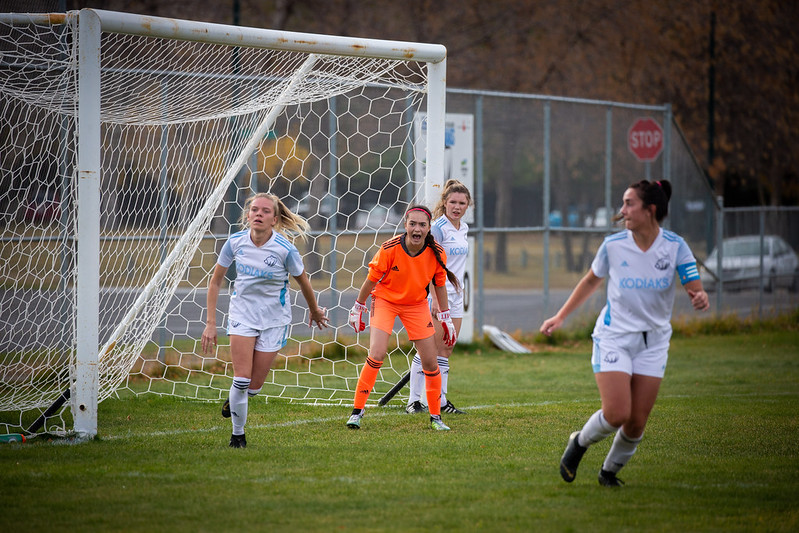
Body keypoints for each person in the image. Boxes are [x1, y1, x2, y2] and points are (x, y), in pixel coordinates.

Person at [540, 179, 709, 487]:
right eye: (623, 203)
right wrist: (560, 316)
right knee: (617, 412)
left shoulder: (675, 246)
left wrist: (699, 297)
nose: (622, 210)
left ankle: (609, 473)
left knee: (636, 423)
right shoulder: (614, 245)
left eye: (629, 203)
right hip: (614, 336)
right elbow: (591, 281)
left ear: (650, 210)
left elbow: (694, 286)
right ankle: (578, 444)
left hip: (654, 342)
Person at [202, 193, 329, 448]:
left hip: (274, 320)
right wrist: (210, 323)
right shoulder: (235, 243)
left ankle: (235, 399)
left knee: (254, 386)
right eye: (254, 210)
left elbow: (303, 281)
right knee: (241, 378)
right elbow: (215, 281)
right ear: (248, 216)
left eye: (265, 211)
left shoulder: (285, 249)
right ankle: (238, 435)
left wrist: (314, 311)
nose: (258, 214)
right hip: (242, 316)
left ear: (275, 219)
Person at [346, 204, 460, 431]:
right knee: (377, 354)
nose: (417, 229)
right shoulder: (389, 249)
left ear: (429, 228)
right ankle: (357, 413)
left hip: (416, 305)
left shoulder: (436, 252)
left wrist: (445, 318)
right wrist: (358, 306)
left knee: (430, 361)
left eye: (422, 225)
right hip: (386, 302)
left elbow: (439, 285)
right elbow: (371, 280)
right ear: (405, 225)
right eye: (413, 224)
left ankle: (436, 418)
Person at [407, 179, 472, 415]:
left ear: (468, 206)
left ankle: (441, 401)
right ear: (444, 203)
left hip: (456, 297)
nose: (457, 206)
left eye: (462, 203)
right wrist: (434, 298)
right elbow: (431, 265)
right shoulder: (437, 228)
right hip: (437, 295)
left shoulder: (463, 228)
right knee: (429, 350)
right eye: (452, 202)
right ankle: (414, 401)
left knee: (446, 349)